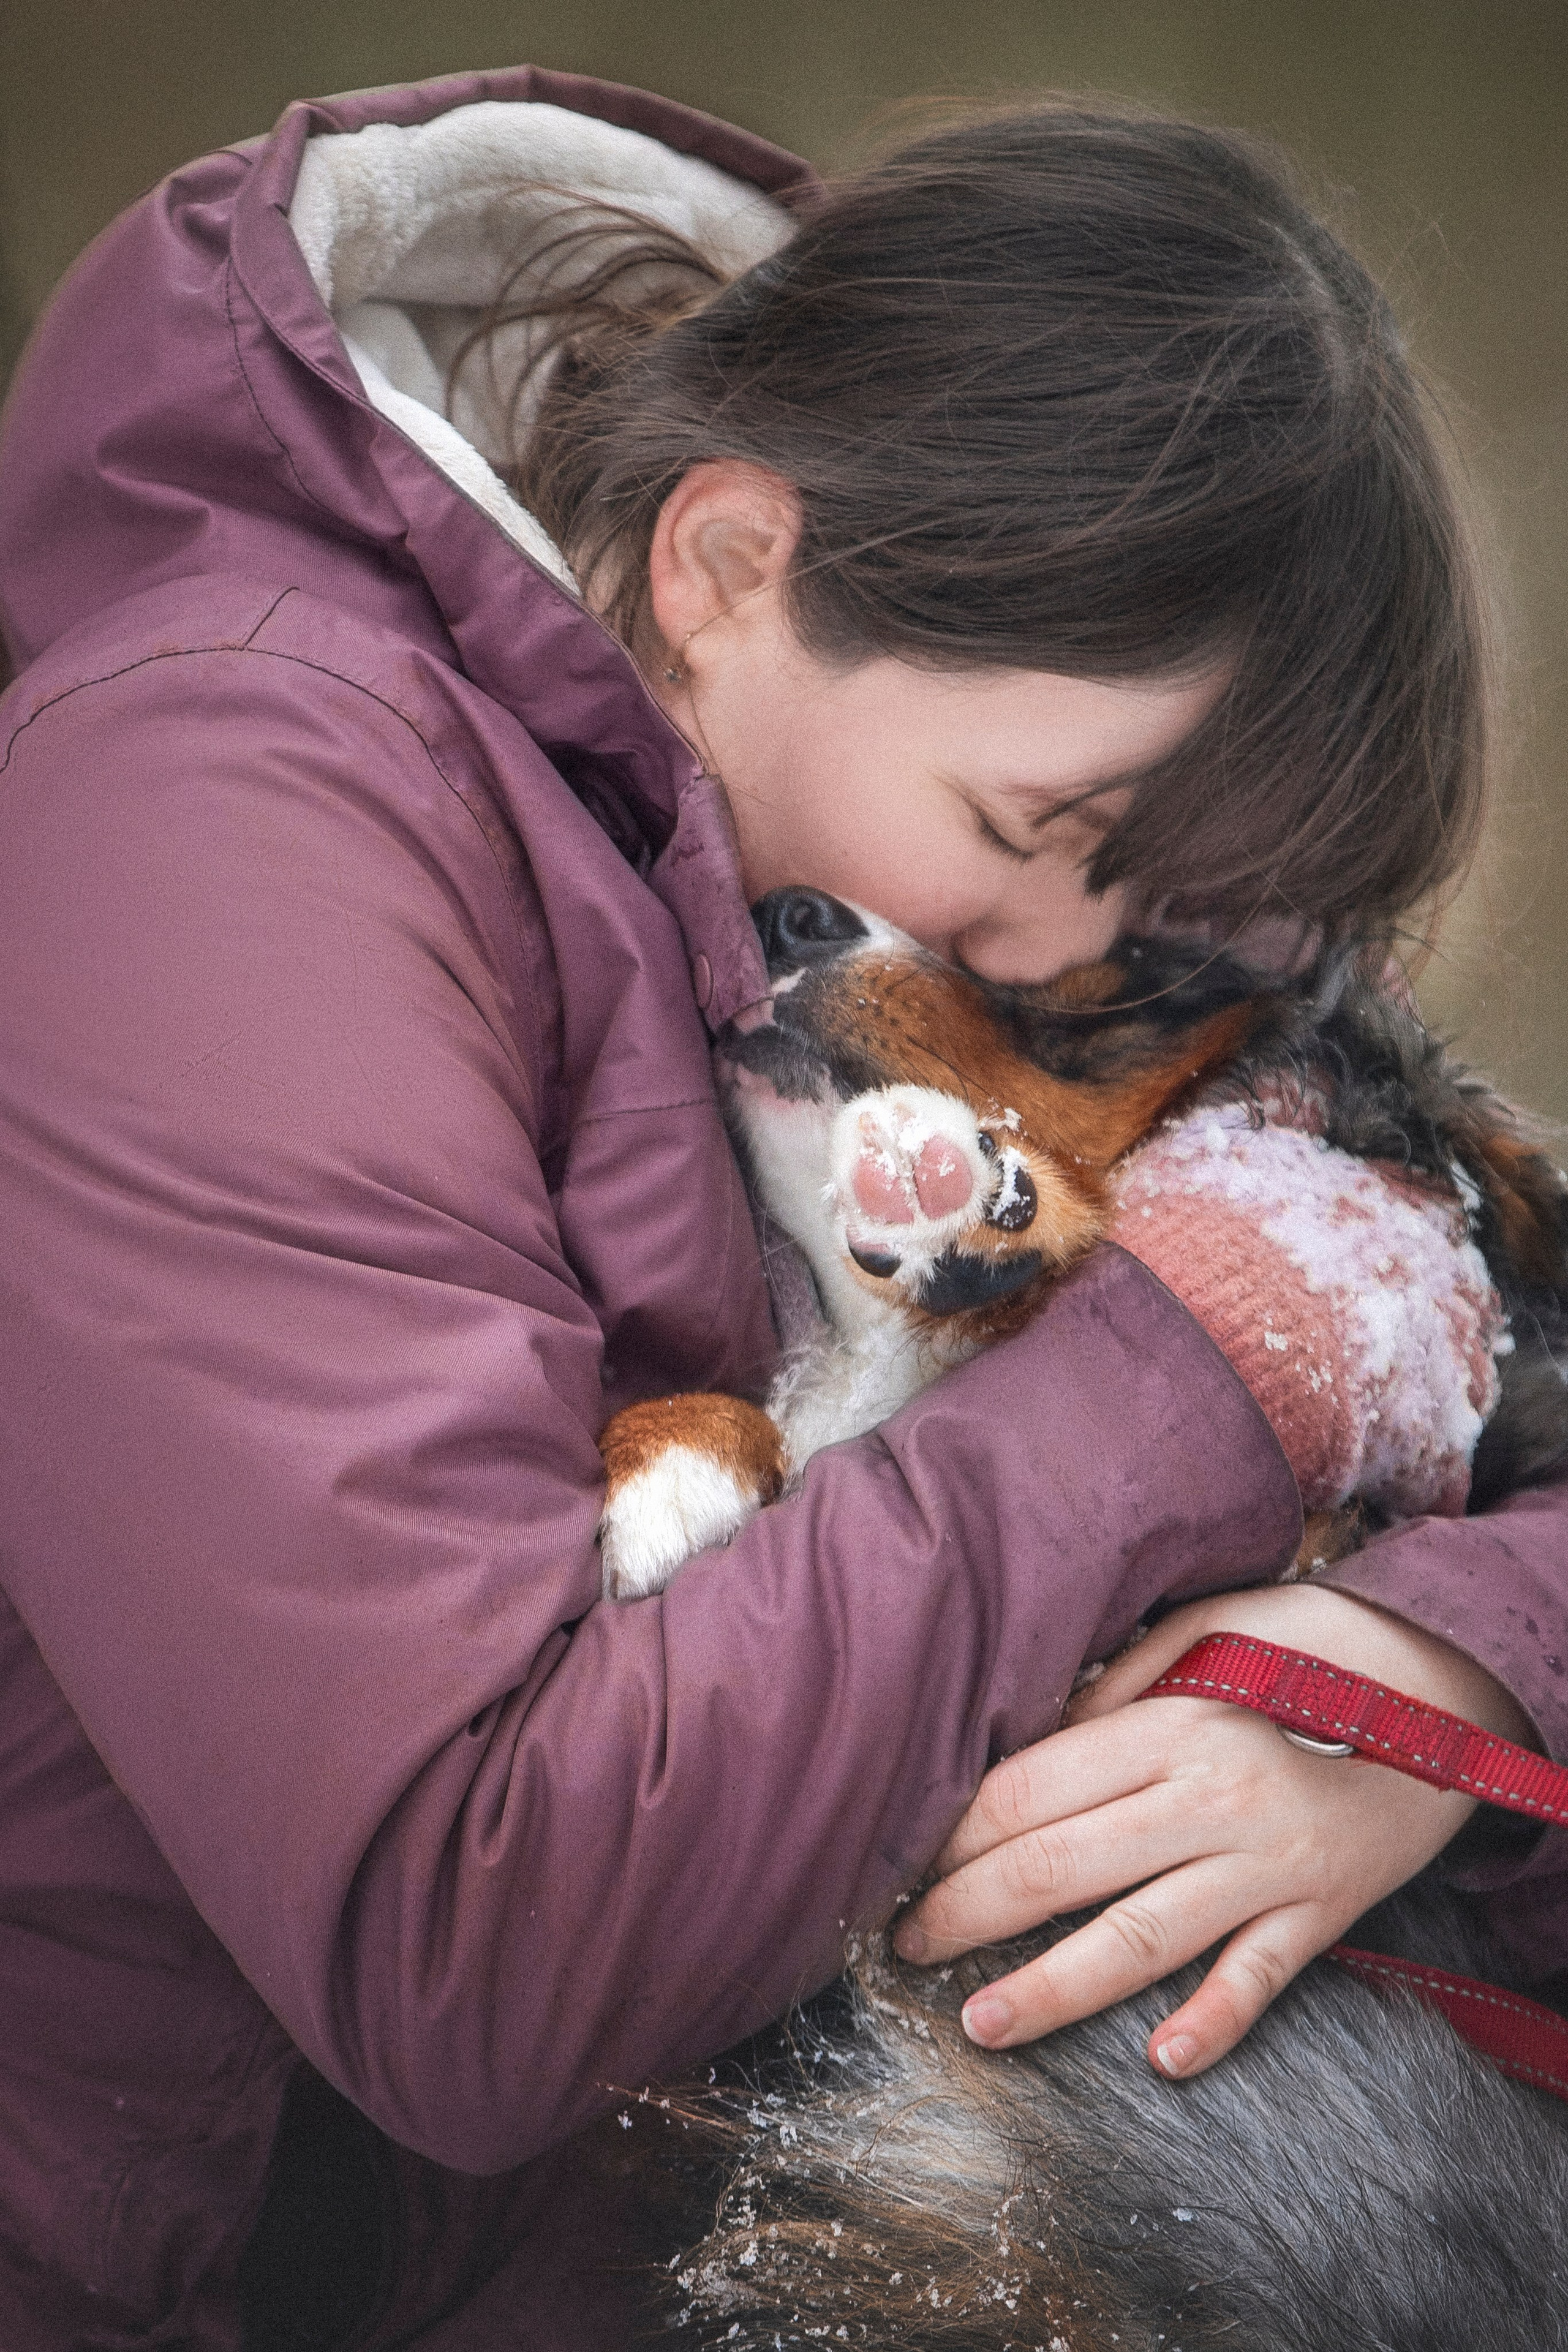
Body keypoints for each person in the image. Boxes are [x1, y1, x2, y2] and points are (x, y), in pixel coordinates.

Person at [0, 61, 1563, 2352]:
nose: (1069, 962)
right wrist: (1214, 1365)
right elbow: (474, 1934)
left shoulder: (959, 874)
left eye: (1173, 909)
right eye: (1031, 832)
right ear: (728, 564)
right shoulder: (220, 819)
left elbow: (1498, 1305)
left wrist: (1413, 1694)